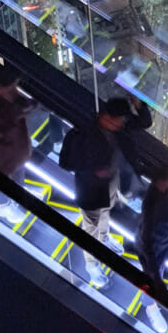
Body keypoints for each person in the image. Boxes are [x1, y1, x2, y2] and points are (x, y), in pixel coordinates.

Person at [60, 94, 152, 288]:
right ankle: (91, 265)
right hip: (90, 190)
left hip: (111, 182)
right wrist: (93, 170)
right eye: (119, 122)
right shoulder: (83, 134)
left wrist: (139, 104)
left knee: (105, 212)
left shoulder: (118, 126)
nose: (122, 126)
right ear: (107, 118)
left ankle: (104, 236)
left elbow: (144, 122)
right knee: (91, 226)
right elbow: (66, 162)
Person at [0, 63, 36, 226]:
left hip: (14, 146)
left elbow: (18, 105)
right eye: (12, 87)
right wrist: (26, 108)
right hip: (4, 149)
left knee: (18, 170)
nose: (15, 89)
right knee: (3, 176)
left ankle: (15, 197)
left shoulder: (0, 93)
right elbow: (10, 117)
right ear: (2, 88)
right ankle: (2, 205)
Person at [136, 163, 168, 333]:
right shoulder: (153, 206)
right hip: (153, 249)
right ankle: (150, 307)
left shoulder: (164, 192)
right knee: (151, 277)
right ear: (161, 181)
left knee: (155, 273)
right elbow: (147, 243)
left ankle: (152, 300)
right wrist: (157, 280)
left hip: (161, 244)